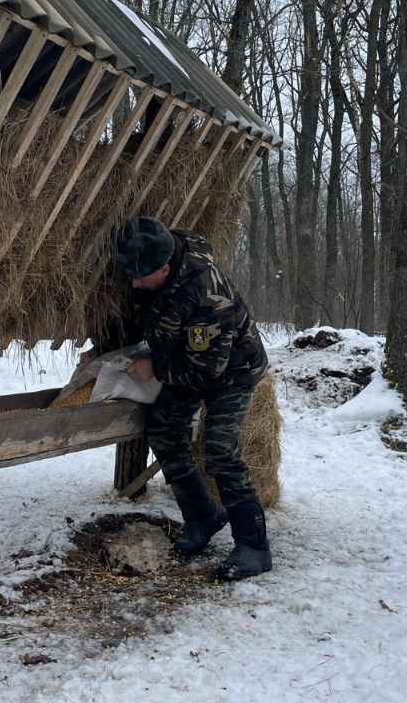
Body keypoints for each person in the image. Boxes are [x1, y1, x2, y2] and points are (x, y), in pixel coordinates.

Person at [84, 215, 272, 580]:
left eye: (140, 277)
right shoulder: (157, 261)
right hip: (187, 360)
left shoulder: (207, 297)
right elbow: (143, 317)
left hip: (232, 371)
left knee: (219, 448)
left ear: (165, 269)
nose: (134, 284)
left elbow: (207, 372)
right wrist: (102, 350)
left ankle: (254, 546)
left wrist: (155, 368)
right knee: (163, 428)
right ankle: (203, 516)